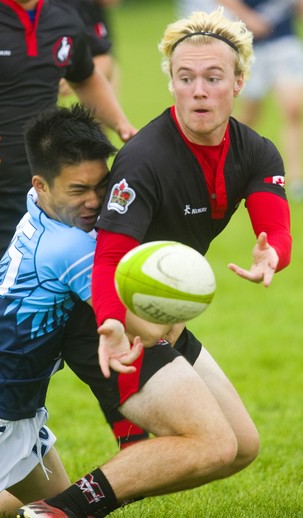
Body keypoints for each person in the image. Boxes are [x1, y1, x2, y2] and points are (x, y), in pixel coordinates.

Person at [19, 7, 292, 517]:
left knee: (241, 445)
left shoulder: (256, 151)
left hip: (157, 315)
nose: (199, 91)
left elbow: (275, 224)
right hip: (104, 317)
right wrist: (112, 325)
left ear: (239, 82)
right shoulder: (146, 159)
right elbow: (110, 256)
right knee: (210, 442)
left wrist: (272, 250)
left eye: (213, 78)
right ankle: (55, 514)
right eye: (185, 78)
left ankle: (23, 503)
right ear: (171, 83)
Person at [0, 103, 128, 515]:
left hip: (21, 412)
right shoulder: (69, 247)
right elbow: (124, 309)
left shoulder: (38, 206)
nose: (93, 201)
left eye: (100, 186)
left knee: (50, 504)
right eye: (78, 190)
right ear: (41, 184)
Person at [0, 0, 135, 349]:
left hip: (47, 207)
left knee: (60, 323)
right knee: (2, 314)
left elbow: (85, 76)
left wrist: (122, 124)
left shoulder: (62, 17)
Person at [177, 0, 303, 200]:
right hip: (252, 46)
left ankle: (296, 179)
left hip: (284, 42)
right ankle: (216, 167)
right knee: (249, 117)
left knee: (293, 110)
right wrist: (248, 16)